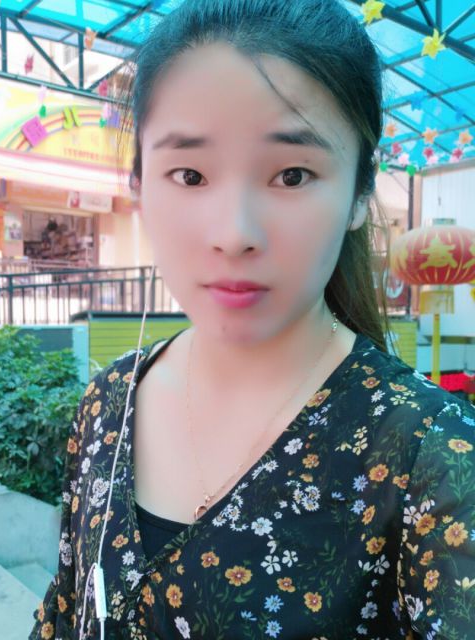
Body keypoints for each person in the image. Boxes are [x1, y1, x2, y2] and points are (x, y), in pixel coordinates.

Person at [30, 1, 475, 638]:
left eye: (292, 175)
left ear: (360, 191)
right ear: (139, 185)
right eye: (190, 174)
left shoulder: (435, 462)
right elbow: (67, 607)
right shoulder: (109, 403)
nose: (234, 233)